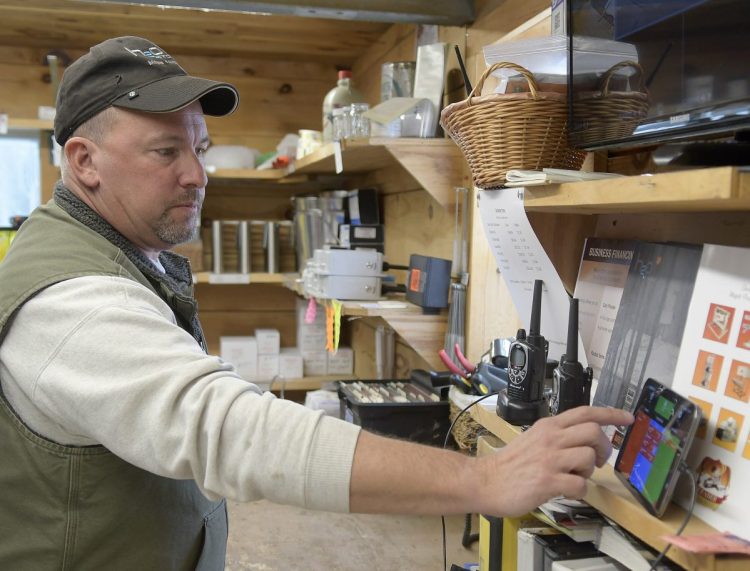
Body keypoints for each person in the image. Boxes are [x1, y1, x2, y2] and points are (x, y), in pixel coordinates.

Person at [0, 36, 633, 569]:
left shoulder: (125, 251)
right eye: (167, 152)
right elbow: (228, 431)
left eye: (201, 149)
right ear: (84, 162)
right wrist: (485, 480)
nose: (197, 174)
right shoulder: (72, 300)